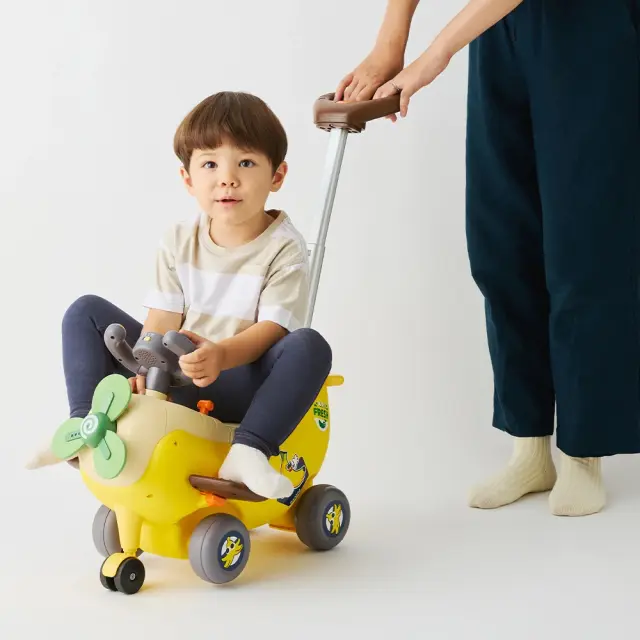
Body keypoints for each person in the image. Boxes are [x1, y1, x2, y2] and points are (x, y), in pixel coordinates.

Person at [335, 0, 640, 516]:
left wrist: (435, 54)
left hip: (591, 23)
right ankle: (530, 447)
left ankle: (582, 452)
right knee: (501, 241)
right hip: (497, 27)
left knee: (583, 247)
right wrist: (390, 42)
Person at [57, 91, 333, 500]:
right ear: (188, 178)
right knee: (85, 312)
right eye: (210, 164)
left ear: (277, 176)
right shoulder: (179, 239)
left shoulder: (285, 248)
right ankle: (86, 423)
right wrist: (145, 367)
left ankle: (251, 448)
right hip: (178, 374)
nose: (227, 178)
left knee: (309, 345)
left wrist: (220, 355)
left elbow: (273, 330)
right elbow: (161, 321)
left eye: (246, 163)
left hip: (239, 381)